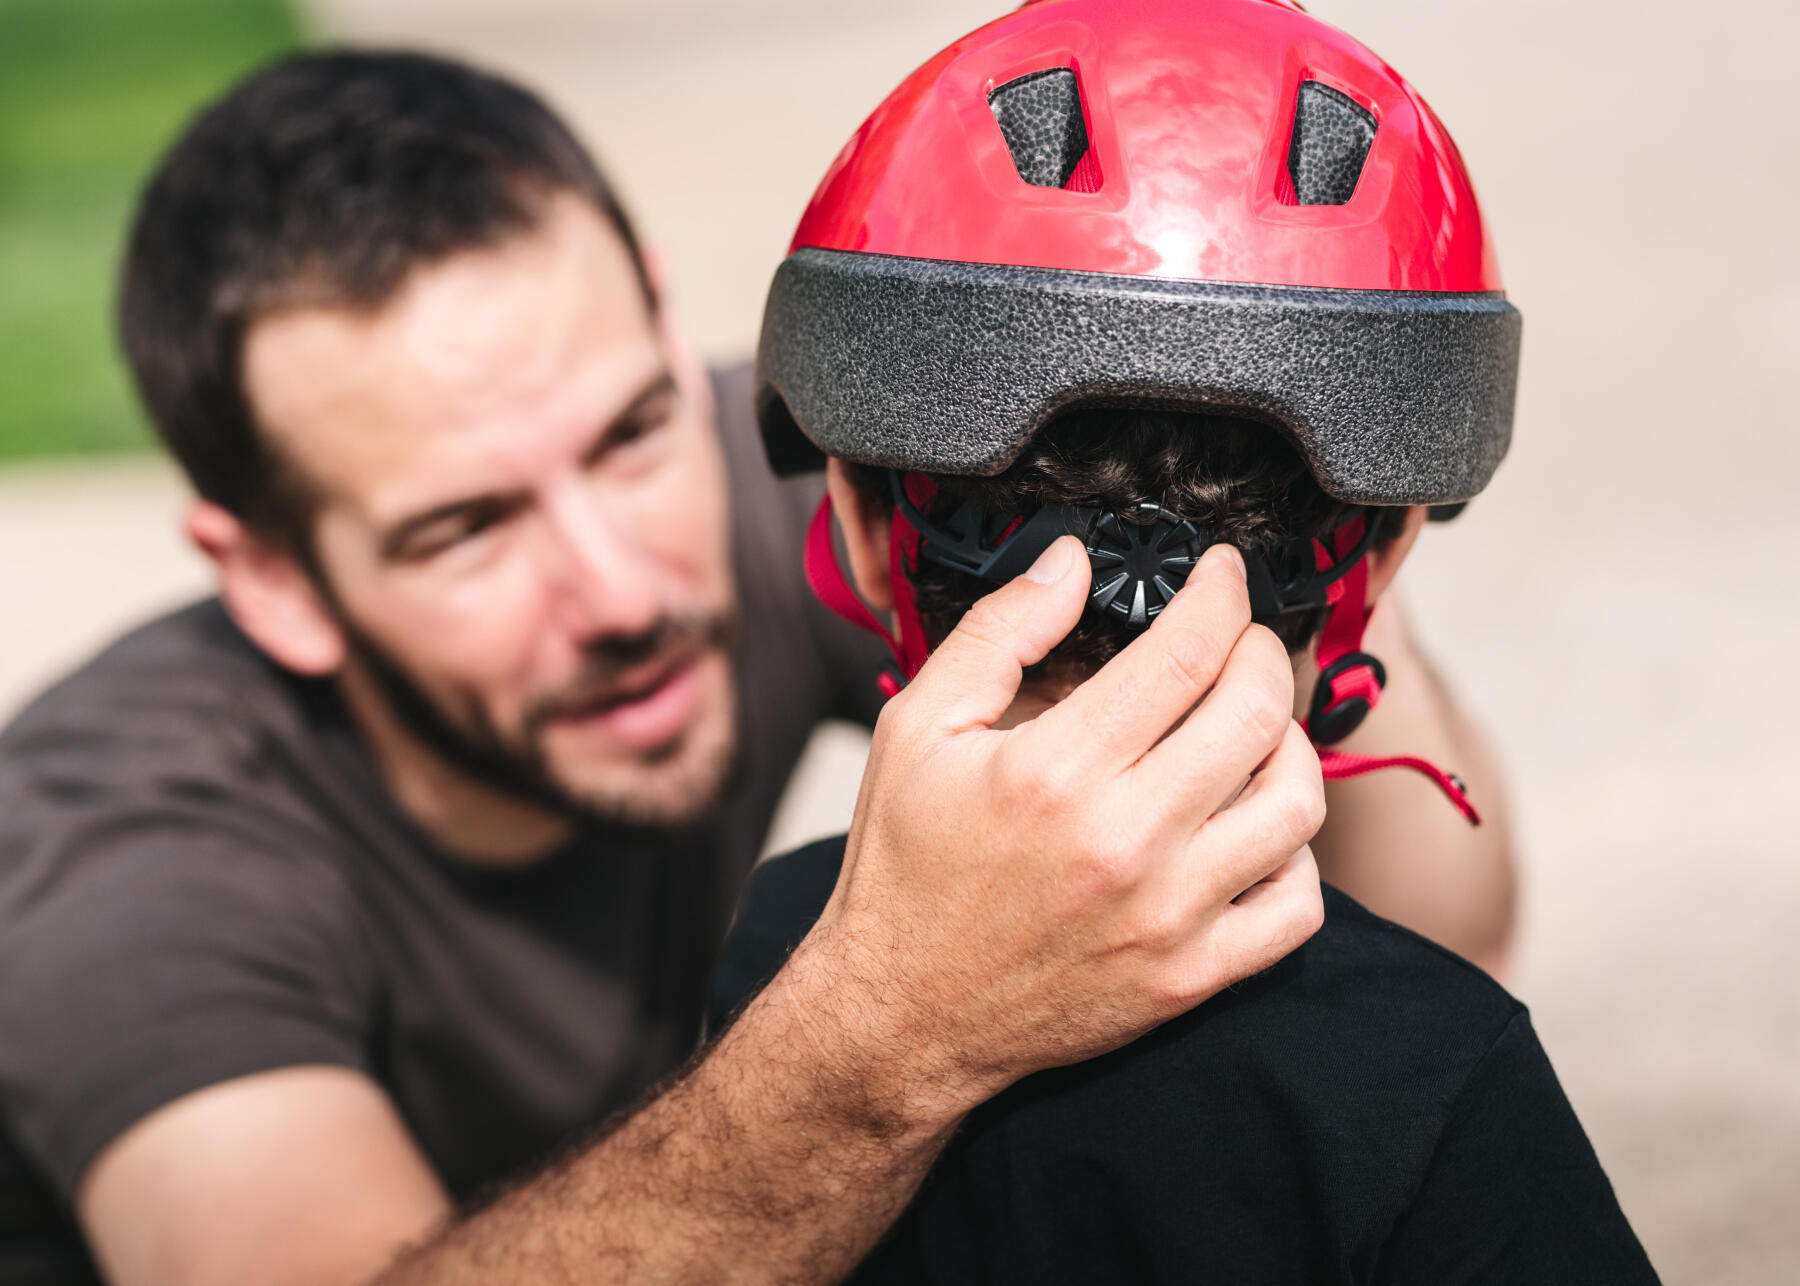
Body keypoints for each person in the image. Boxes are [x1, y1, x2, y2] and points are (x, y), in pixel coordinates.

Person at [0, 49, 1334, 1286]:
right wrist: (890, 1031)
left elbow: (1451, 909)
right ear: (276, 582)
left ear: (657, 305)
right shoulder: (113, 865)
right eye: (465, 527)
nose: (626, 590)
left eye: (634, 428)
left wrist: (1321, 567)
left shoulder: (781, 489)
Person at [716, 0, 1656, 1279]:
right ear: (1378, 563)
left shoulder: (771, 956)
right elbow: (1465, 927)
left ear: (864, 529)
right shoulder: (1431, 1064)